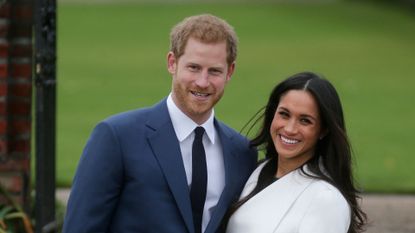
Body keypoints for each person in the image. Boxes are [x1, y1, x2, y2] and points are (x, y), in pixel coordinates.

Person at [62, 14, 257, 233]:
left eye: (214, 71)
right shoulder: (117, 137)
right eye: (193, 67)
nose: (202, 82)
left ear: (229, 72)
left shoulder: (241, 152)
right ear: (172, 63)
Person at [224, 72, 366, 233]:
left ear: (323, 130)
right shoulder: (256, 170)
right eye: (284, 114)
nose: (290, 129)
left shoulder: (326, 199)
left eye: (305, 120)